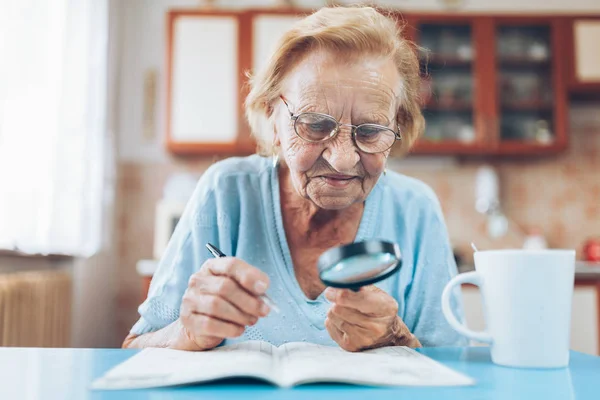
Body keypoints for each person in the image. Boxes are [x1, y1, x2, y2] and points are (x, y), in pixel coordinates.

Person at [123, 6, 467, 352]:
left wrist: (398, 339)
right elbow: (133, 348)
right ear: (273, 119)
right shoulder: (225, 191)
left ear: (397, 127)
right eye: (315, 125)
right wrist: (187, 333)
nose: (342, 159)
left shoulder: (415, 210)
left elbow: (455, 370)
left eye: (371, 130)